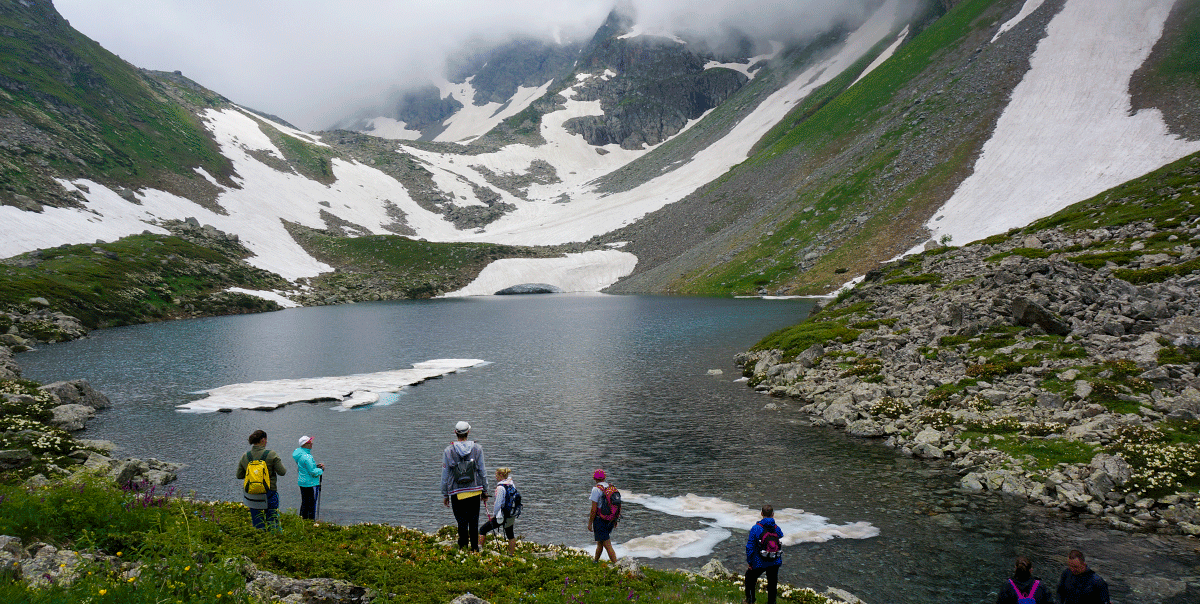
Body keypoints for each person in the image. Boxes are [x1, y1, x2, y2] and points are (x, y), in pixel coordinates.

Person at [441, 421, 488, 551]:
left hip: (457, 492)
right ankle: (474, 548)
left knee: (461, 521)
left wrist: (445, 494)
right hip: (474, 490)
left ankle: (462, 548)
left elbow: (445, 475)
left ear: (455, 433)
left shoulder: (448, 451)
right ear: (468, 432)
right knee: (474, 521)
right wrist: (485, 490)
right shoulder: (477, 449)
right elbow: (482, 471)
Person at [236, 429, 287, 532]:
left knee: (257, 522)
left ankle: (259, 536)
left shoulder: (245, 456)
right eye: (266, 440)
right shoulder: (271, 454)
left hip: (252, 494)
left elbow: (239, 475)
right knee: (273, 521)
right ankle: (274, 537)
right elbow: (282, 472)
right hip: (269, 493)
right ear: (263, 440)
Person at [744, 505, 784, 604]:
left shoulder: (756, 528)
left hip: (759, 561)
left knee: (749, 578)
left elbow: (750, 547)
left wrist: (750, 562)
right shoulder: (776, 528)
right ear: (773, 514)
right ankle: (772, 602)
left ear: (761, 514)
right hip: (774, 560)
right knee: (772, 582)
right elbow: (781, 535)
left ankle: (750, 600)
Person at [478, 467, 518, 555]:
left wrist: (494, 515)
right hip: (510, 514)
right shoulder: (511, 484)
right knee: (510, 534)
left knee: (482, 529)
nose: (495, 477)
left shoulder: (500, 487)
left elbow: (497, 504)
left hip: (501, 515)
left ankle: (479, 551)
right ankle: (511, 554)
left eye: (496, 475)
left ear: (500, 475)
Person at [587, 469, 618, 563]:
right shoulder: (610, 487)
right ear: (604, 477)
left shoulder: (596, 489)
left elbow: (593, 509)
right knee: (600, 542)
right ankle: (595, 561)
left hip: (600, 520)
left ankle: (617, 565)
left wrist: (590, 523)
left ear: (594, 478)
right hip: (610, 519)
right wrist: (615, 520)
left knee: (607, 544)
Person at [292, 435, 325, 520]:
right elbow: (313, 472)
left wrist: (316, 467)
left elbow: (306, 467)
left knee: (305, 503)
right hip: (310, 483)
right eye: (309, 442)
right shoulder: (307, 457)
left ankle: (302, 520)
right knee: (311, 505)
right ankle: (310, 522)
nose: (312, 444)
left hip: (302, 482)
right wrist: (321, 470)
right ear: (305, 444)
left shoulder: (300, 454)